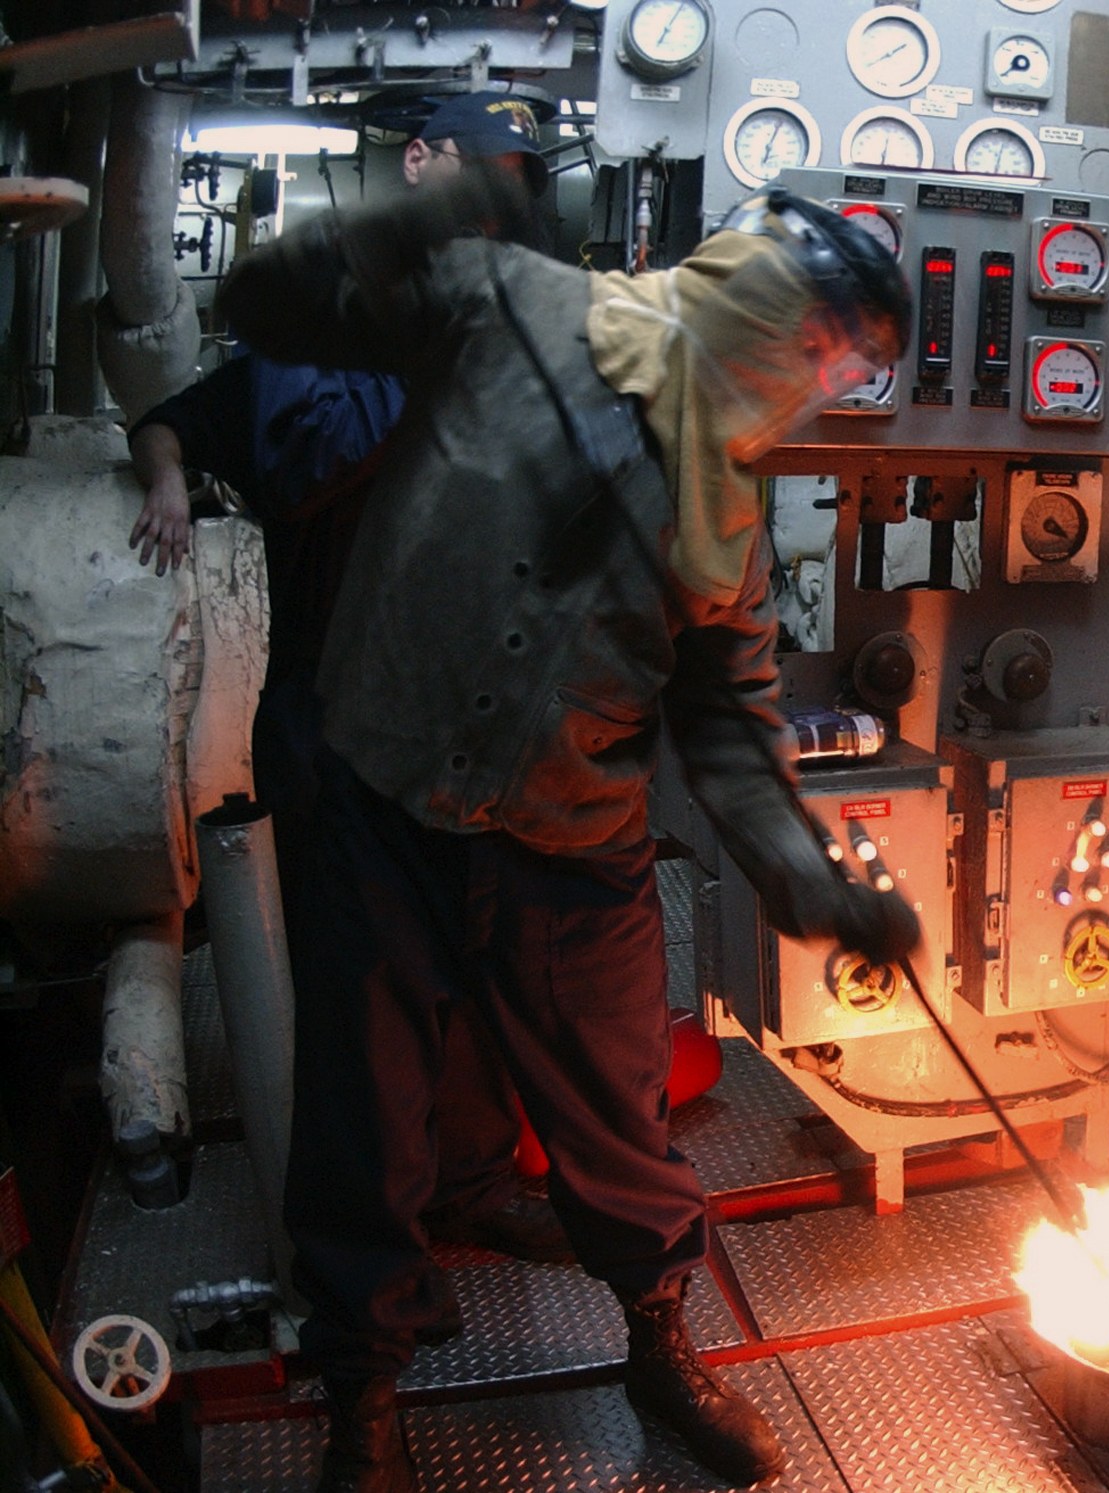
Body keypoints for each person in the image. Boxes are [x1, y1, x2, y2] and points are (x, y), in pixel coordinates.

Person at [214, 173, 916, 1491]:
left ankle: (658, 1342)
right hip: (387, 805)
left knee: (620, 1121)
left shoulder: (729, 519)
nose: (819, 385)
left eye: (843, 366)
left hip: (573, 842)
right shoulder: (505, 303)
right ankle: (363, 1394)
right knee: (364, 1122)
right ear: (759, 292)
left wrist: (820, 887)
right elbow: (261, 303)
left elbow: (728, 737)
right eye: (826, 345)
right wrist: (407, 222)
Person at [128, 93, 574, 1271]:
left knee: (477, 982)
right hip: (343, 730)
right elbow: (296, 459)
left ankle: (470, 1186)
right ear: (422, 163)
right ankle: (372, 1277)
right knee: (365, 1013)